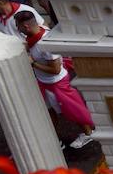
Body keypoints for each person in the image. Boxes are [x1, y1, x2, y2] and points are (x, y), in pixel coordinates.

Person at [16, 11, 94, 149]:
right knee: (49, 110)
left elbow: (55, 69)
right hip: (45, 82)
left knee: (72, 110)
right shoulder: (37, 33)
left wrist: (32, 63)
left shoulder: (45, 45)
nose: (17, 29)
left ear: (26, 26)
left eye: (19, 26)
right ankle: (54, 138)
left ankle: (88, 133)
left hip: (56, 83)